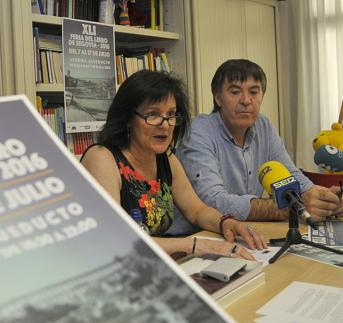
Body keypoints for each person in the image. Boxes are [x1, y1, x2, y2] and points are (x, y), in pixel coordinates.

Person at [81, 70, 266, 260]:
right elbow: (115, 238)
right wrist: (194, 245)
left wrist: (227, 223)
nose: (165, 124)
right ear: (128, 118)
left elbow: (196, 210)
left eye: (170, 114)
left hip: (149, 264)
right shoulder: (102, 158)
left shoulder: (165, 157)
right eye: (152, 114)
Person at [172, 59, 342, 234]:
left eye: (254, 92)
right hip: (194, 237)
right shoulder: (197, 131)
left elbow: (292, 175)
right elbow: (212, 201)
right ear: (218, 97)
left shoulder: (264, 126)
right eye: (235, 92)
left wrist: (323, 199)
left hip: (243, 232)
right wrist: (292, 208)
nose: (246, 100)